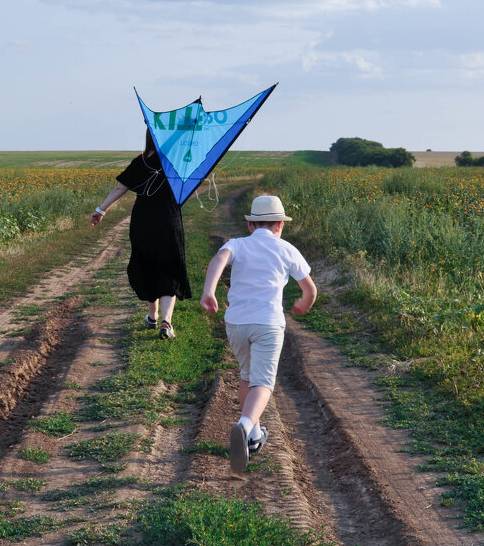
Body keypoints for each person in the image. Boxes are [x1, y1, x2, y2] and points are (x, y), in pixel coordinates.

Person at [200, 194, 316, 473]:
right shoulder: (287, 249)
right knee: (263, 383)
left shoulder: (237, 244)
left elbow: (219, 259)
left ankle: (252, 436)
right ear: (280, 225)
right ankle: (243, 426)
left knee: (247, 375)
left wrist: (209, 291)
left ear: (251, 225)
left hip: (237, 323)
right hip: (267, 324)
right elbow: (310, 289)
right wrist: (302, 305)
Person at [92, 132, 192, 339]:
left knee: (148, 265)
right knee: (169, 268)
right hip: (169, 220)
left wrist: (101, 210)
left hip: (143, 221)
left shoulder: (141, 161)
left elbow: (121, 187)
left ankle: (152, 317)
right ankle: (166, 322)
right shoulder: (177, 161)